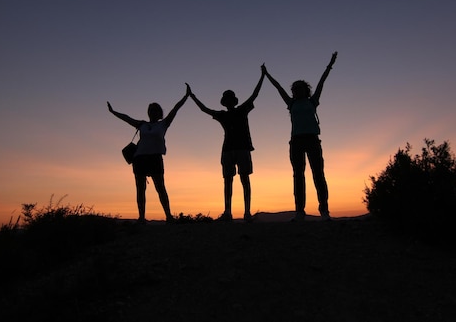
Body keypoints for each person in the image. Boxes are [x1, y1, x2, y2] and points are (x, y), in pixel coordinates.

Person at [262, 52, 337, 221]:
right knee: (298, 175)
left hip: (312, 140)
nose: (296, 90)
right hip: (296, 141)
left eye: (299, 88)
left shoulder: (312, 101)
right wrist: (267, 75)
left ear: (306, 90)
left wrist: (330, 64)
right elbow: (278, 87)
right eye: (294, 89)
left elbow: (322, 81)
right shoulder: (291, 103)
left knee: (318, 174)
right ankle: (299, 212)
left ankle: (324, 211)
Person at [186, 68, 265, 222]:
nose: (229, 102)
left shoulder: (242, 110)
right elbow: (204, 109)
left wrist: (262, 76)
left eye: (230, 100)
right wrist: (192, 96)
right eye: (227, 100)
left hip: (242, 148)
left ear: (234, 102)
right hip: (228, 150)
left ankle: (247, 212)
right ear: (225, 102)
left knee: (244, 179)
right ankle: (228, 212)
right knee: (228, 180)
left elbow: (255, 94)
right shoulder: (222, 115)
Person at [107, 86, 190, 223]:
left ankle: (169, 216)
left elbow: (175, 109)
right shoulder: (142, 124)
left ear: (160, 113)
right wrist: (113, 111)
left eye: (155, 110)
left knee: (160, 188)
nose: (152, 112)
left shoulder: (164, 124)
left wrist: (186, 96)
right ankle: (141, 217)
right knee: (140, 189)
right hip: (139, 159)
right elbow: (127, 118)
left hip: (155, 158)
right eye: (150, 110)